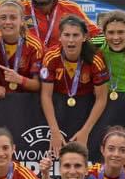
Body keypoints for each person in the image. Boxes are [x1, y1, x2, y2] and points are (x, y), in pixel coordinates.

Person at [40, 16, 110, 155]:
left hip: (86, 110)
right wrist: (54, 131)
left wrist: (85, 131)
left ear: (84, 37)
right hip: (58, 109)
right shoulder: (51, 57)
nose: (71, 40)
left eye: (75, 35)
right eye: (66, 35)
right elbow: (46, 95)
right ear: (60, 37)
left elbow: (101, 98)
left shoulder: (95, 59)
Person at [0, 0, 44, 99]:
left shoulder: (34, 45)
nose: (8, 22)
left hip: (24, 103)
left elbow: (38, 85)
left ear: (22, 21)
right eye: (3, 17)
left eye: (13, 18)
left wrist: (19, 79)